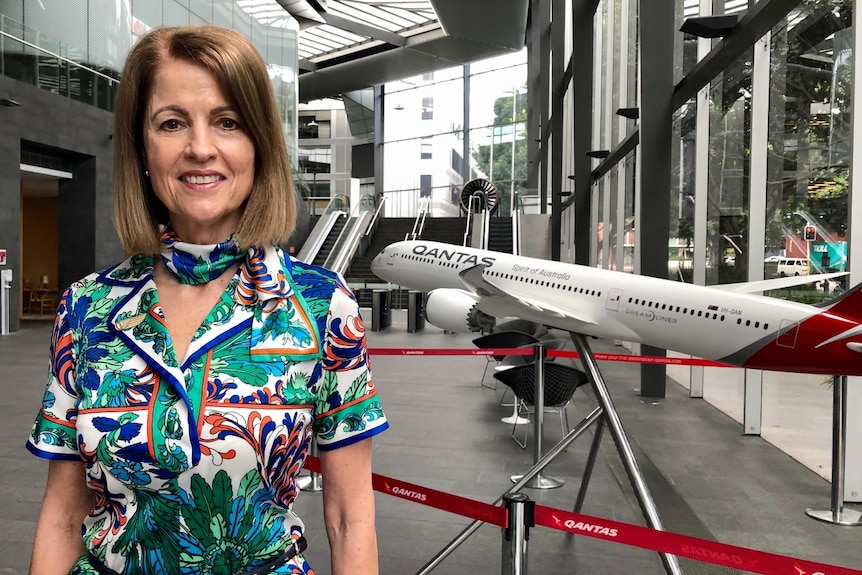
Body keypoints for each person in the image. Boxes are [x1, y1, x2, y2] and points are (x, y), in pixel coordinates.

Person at [26, 25, 388, 575]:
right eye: (172, 123)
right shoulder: (86, 308)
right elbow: (62, 513)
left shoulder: (320, 305)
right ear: (142, 147)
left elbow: (349, 515)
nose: (200, 147)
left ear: (258, 144)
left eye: (228, 122)